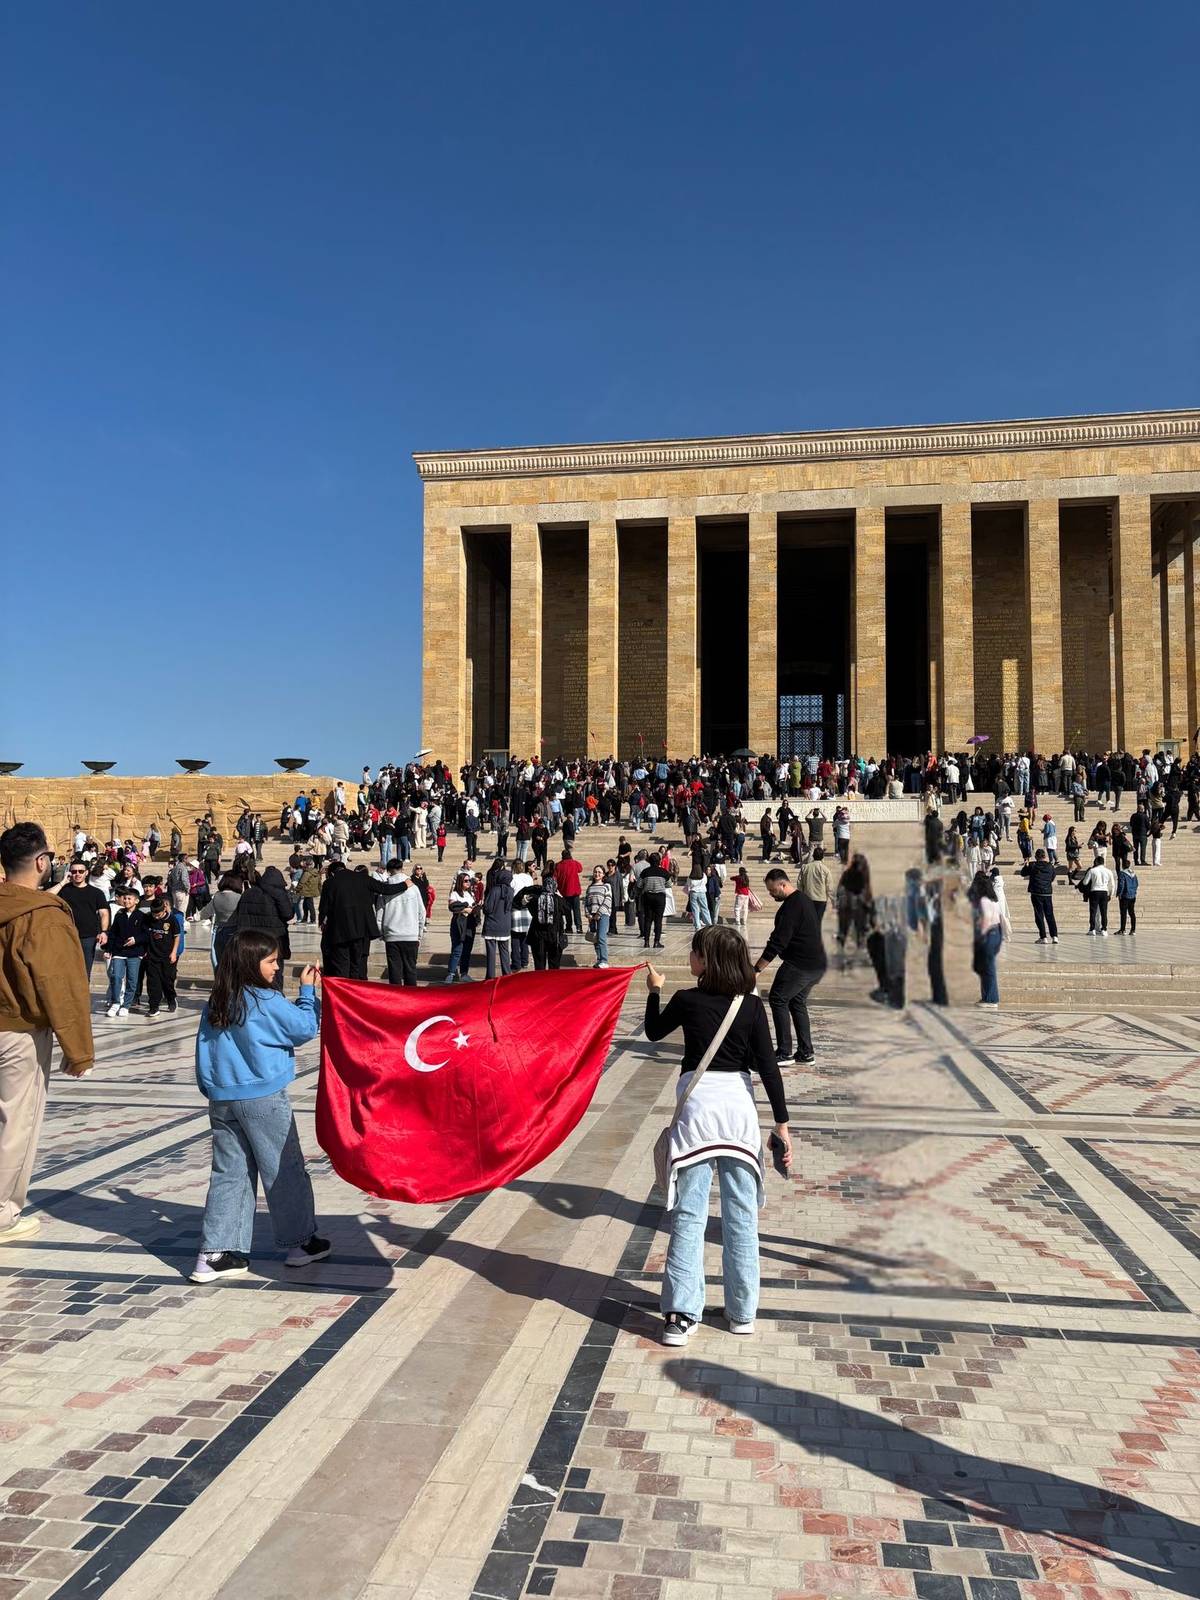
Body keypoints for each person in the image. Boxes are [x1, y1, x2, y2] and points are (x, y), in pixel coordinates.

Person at [644, 926, 791, 1346]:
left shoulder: (687, 999)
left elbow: (653, 1032)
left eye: (694, 951)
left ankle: (681, 1315)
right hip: (739, 1116)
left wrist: (655, 989)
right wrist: (782, 1124)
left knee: (689, 1216)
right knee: (741, 1217)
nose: (690, 957)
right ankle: (742, 1311)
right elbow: (768, 1066)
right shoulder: (751, 1006)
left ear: (706, 960)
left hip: (698, 1116)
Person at [190, 930, 328, 1282]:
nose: (277, 967)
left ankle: (215, 1253)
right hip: (263, 1097)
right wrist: (308, 992)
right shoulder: (265, 1000)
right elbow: (304, 1028)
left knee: (229, 1172)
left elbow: (203, 1050)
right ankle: (300, 1243)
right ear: (252, 964)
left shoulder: (218, 1000)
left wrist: (211, 1086)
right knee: (283, 1168)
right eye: (270, 961)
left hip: (223, 1098)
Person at [0, 823, 95, 1240]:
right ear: (42, 862)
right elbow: (60, 985)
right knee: (16, 1123)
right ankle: (2, 1214)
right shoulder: (42, 916)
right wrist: (78, 1051)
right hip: (18, 1033)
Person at [752, 868, 826, 1066]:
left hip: (800, 964)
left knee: (778, 999)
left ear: (783, 885)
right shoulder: (803, 900)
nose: (771, 894)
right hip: (816, 964)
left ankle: (785, 1053)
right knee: (796, 1002)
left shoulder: (792, 906)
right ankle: (806, 1052)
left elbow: (778, 942)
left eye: (772, 890)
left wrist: (757, 969)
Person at [319, 862, 408, 979]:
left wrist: (321, 922)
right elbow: (384, 889)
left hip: (340, 932)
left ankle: (344, 994)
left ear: (331, 873)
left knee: (342, 966)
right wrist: (405, 885)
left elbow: (324, 907)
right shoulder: (363, 878)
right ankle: (355, 991)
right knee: (356, 965)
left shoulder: (329, 883)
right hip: (361, 930)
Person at [51, 859, 110, 981]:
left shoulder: (96, 893)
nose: (77, 874)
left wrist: (104, 931)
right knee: (65, 969)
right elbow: (46, 897)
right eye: (74, 871)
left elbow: (104, 913)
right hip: (66, 935)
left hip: (88, 936)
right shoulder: (63, 890)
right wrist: (63, 882)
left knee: (84, 970)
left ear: (86, 873)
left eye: (80, 871)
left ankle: (82, 998)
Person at [375, 859, 426, 985]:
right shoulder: (413, 888)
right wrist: (419, 934)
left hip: (392, 935)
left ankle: (395, 1000)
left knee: (394, 971)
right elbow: (422, 912)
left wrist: (382, 933)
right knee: (410, 969)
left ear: (388, 871)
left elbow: (379, 913)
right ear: (402, 868)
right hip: (410, 935)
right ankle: (411, 998)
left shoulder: (385, 889)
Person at [105, 886, 150, 1017]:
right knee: (116, 976)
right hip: (119, 952)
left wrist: (136, 940)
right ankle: (115, 1002)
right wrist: (109, 949)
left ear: (136, 901)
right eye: (124, 898)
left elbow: (147, 934)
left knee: (132, 979)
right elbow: (113, 933)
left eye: (129, 898)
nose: (126, 901)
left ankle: (126, 1005)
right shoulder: (119, 915)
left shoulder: (142, 916)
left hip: (135, 953)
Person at [968, 869, 1006, 1009]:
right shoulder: (993, 899)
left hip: (988, 934)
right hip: (996, 932)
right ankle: (987, 997)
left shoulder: (983, 901)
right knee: (987, 966)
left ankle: (991, 999)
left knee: (988, 968)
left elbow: (984, 921)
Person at [144, 893, 183, 1016]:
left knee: (167, 980)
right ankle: (154, 1007)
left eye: (158, 914)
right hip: (152, 955)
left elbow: (177, 936)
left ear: (164, 909)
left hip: (167, 956)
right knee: (153, 982)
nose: (156, 917)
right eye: (154, 914)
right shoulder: (148, 918)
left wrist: (174, 953)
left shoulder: (172, 919)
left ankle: (171, 998)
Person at [446, 871, 480, 982]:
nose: (468, 882)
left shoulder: (471, 894)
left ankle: (464, 973)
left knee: (467, 950)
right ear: (460, 882)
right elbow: (452, 907)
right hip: (459, 923)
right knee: (457, 949)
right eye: (466, 881)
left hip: (470, 923)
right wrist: (465, 907)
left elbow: (473, 907)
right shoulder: (455, 894)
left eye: (469, 880)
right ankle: (451, 973)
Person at [1018, 849, 1058, 943]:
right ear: (1045, 856)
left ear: (1036, 857)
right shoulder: (1050, 866)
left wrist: (1026, 865)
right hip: (1047, 893)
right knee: (1050, 915)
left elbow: (1023, 873)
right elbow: (1052, 877)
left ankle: (1043, 937)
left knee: (1039, 915)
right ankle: (1054, 936)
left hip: (1036, 892)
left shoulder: (1033, 865)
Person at [482, 861, 514, 978]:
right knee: (505, 953)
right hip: (505, 925)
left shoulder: (494, 890)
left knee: (491, 953)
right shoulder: (511, 891)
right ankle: (507, 975)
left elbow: (488, 908)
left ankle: (490, 976)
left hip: (492, 925)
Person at [584, 864, 612, 968]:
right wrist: (588, 914)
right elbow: (586, 902)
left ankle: (604, 960)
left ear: (603, 874)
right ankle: (599, 959)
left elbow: (608, 900)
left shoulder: (606, 886)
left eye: (599, 872)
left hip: (603, 915)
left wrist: (599, 913)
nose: (597, 874)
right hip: (592, 916)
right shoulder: (590, 887)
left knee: (601, 937)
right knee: (595, 939)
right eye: (595, 872)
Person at [1080, 853, 1114, 935]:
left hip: (1094, 891)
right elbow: (1112, 885)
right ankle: (1104, 929)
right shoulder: (1108, 871)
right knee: (1104, 912)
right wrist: (1110, 894)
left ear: (1095, 862)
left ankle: (1092, 929)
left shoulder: (1092, 870)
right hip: (1104, 892)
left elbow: (1085, 882)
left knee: (1093, 911)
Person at [554, 849, 583, 934]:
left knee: (567, 911)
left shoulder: (558, 865)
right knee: (576, 910)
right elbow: (580, 869)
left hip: (564, 891)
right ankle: (579, 927)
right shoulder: (574, 863)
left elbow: (555, 877)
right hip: (575, 891)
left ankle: (569, 927)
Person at [1116, 863, 1139, 935]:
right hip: (1132, 895)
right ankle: (1133, 930)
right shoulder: (1133, 874)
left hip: (1125, 895)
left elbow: (1121, 884)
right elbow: (1137, 884)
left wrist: (1119, 893)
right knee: (1132, 913)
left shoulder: (1122, 873)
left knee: (1123, 913)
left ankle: (1123, 930)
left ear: (1122, 865)